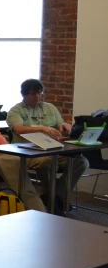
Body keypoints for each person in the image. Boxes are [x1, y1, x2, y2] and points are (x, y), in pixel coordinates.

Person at [6, 79, 88, 213]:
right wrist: (42, 128)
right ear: (24, 95)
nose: (37, 97)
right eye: (33, 94)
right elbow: (18, 129)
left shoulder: (50, 107)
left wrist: (65, 127)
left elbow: (59, 126)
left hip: (52, 148)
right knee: (46, 161)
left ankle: (54, 196)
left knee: (81, 162)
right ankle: (51, 197)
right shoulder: (16, 110)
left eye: (39, 93)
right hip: (27, 151)